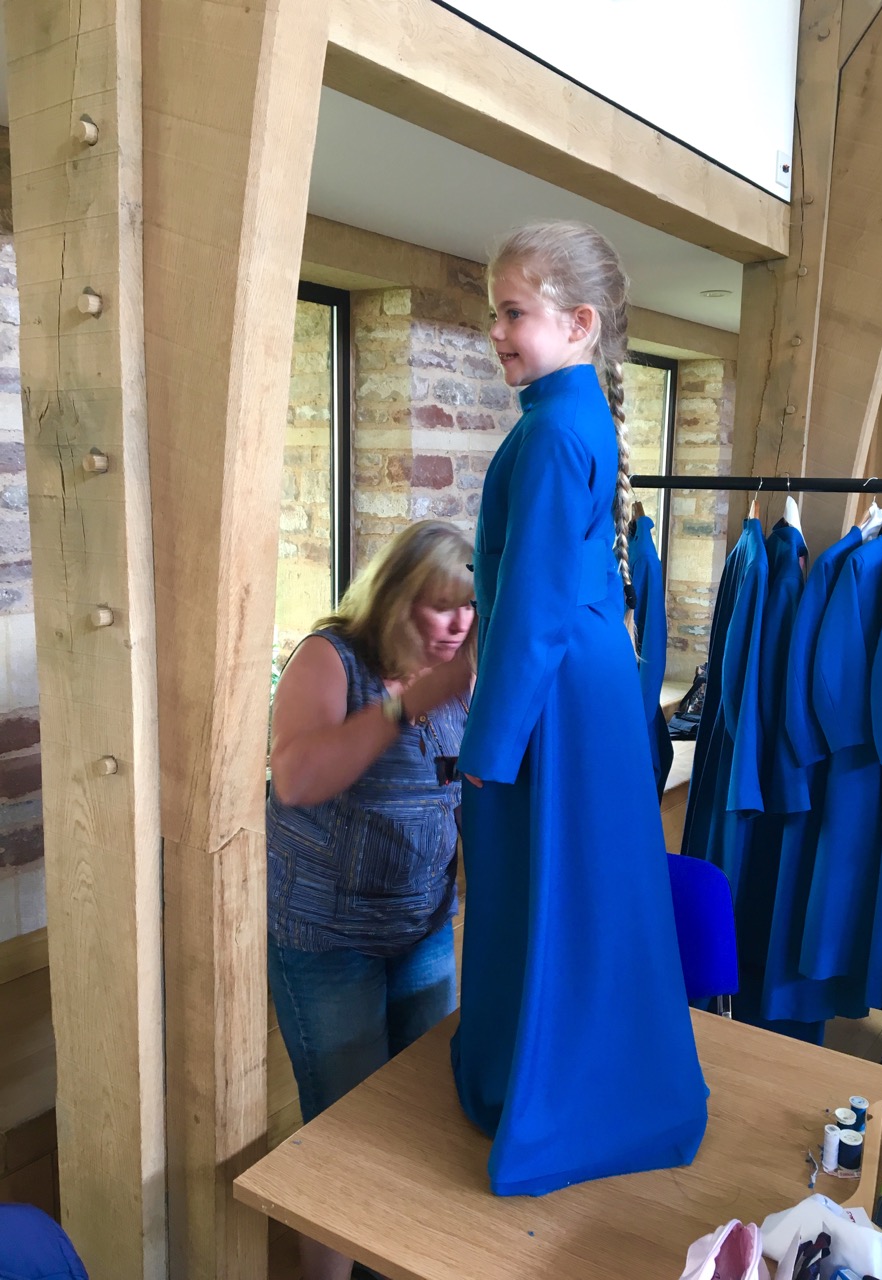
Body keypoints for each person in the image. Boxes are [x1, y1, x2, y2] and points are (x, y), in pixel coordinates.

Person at [452, 220, 709, 1196]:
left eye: (514, 311)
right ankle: (533, 1068)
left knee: (550, 882)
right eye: (495, 313)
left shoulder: (557, 428)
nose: (497, 330)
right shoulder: (567, 418)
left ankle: (555, 1086)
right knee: (568, 883)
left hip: (556, 690)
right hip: (580, 681)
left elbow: (536, 605)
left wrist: (490, 740)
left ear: (580, 321)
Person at [267, 520, 475, 1280]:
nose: (458, 624)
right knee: (343, 1132)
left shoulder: (457, 675)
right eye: (440, 605)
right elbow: (295, 778)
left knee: (419, 1118)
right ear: (394, 600)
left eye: (470, 607)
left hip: (419, 931)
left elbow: (466, 800)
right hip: (327, 942)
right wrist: (405, 704)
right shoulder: (332, 659)